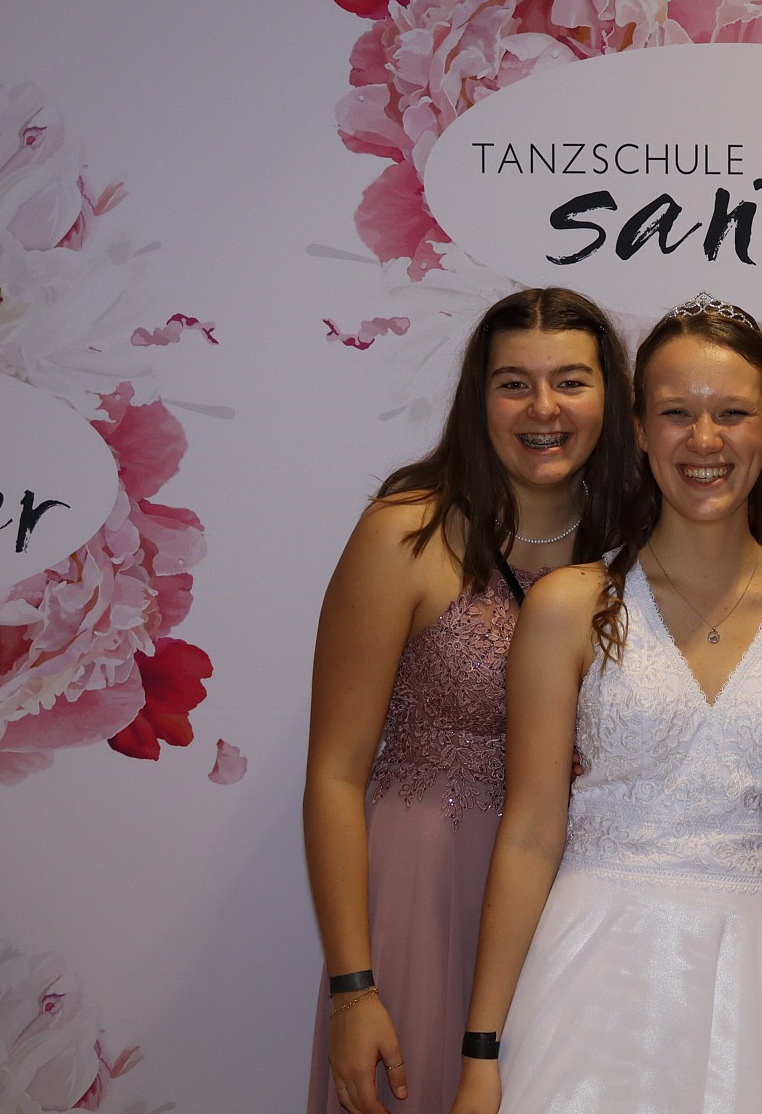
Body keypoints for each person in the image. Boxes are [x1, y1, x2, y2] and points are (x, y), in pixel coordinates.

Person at [450, 295, 762, 1114]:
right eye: (677, 413)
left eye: (733, 413)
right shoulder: (567, 607)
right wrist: (481, 1052)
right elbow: (531, 834)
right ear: (640, 431)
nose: (705, 441)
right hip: (588, 981)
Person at [304, 287, 635, 1114]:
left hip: (581, 903)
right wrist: (352, 990)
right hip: (424, 889)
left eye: (571, 381)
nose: (543, 408)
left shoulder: (642, 548)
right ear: (477, 399)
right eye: (514, 383)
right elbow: (335, 776)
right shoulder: (405, 535)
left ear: (610, 397)